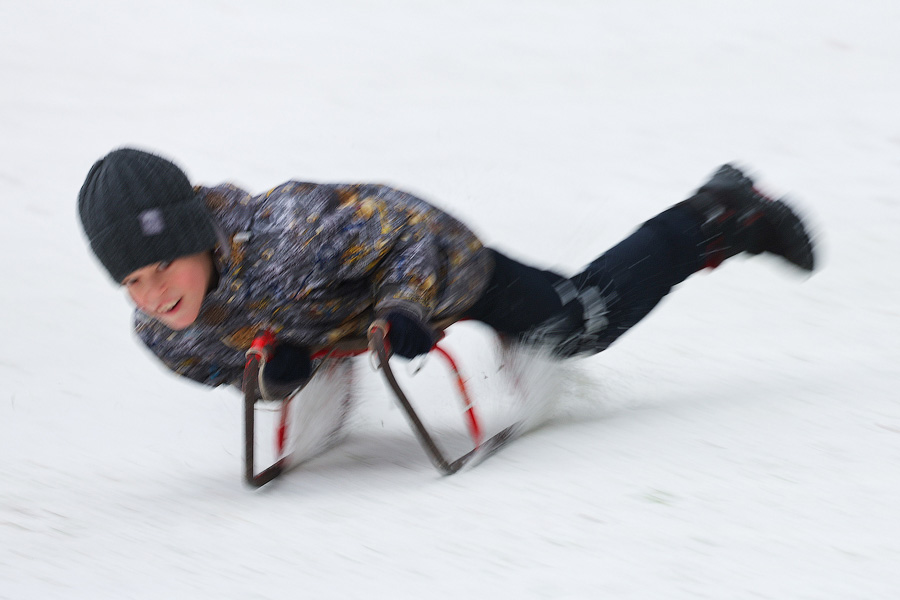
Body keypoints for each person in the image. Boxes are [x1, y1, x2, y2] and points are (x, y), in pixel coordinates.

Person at [77, 148, 815, 399]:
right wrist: (268, 372)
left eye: (162, 264)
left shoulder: (289, 232)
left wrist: (405, 308)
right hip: (341, 318)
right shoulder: (166, 333)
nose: (155, 293)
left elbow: (409, 233)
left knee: (580, 322)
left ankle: (721, 213)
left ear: (200, 237)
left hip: (443, 268)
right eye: (132, 282)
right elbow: (215, 369)